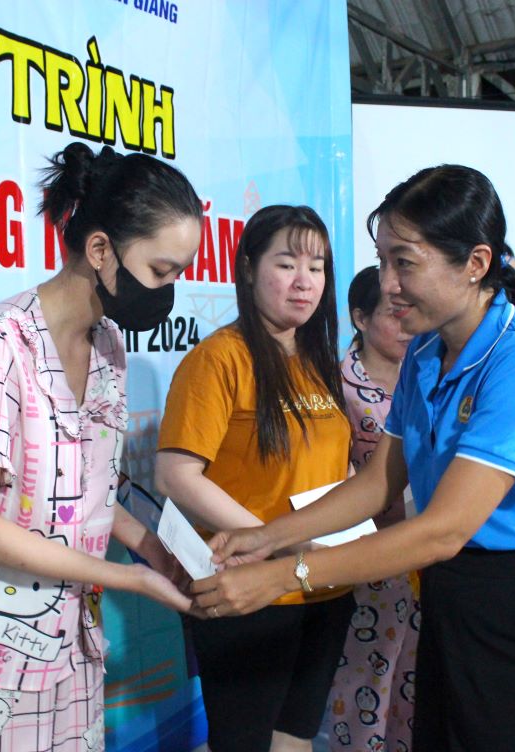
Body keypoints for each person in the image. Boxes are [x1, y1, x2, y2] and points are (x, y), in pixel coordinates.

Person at [194, 166, 515, 751]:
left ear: (476, 264)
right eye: (383, 261)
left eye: (405, 263)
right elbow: (380, 481)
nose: (387, 284)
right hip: (451, 592)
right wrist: (269, 537)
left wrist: (285, 576)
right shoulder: (428, 353)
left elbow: (441, 530)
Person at [0, 142, 202, 752]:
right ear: (99, 250)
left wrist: (156, 551)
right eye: (162, 272)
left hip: (70, 638)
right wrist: (128, 580)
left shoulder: (109, 348)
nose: (169, 291)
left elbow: (85, 498)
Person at [154, 204, 354, 752]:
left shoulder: (318, 360)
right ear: (247, 268)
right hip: (248, 590)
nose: (304, 281)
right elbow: (175, 474)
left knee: (295, 737)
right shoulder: (219, 358)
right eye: (287, 263)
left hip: (321, 581)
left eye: (316, 267)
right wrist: (278, 542)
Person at [325, 265, 417, 752]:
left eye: (411, 315)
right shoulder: (335, 385)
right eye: (394, 315)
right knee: (364, 680)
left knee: (413, 677)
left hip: (422, 550)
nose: (407, 326)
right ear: (360, 317)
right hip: (366, 557)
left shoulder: (425, 375)